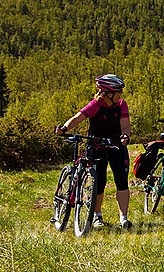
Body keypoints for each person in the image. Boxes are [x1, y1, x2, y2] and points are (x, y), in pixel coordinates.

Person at [55, 74, 133, 230]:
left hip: (116, 146)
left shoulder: (121, 105)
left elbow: (125, 125)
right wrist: (64, 128)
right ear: (108, 94)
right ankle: (97, 216)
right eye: (118, 91)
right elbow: (78, 118)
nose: (121, 94)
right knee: (99, 183)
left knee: (122, 181)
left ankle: (123, 218)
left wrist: (125, 136)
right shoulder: (95, 105)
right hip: (96, 146)